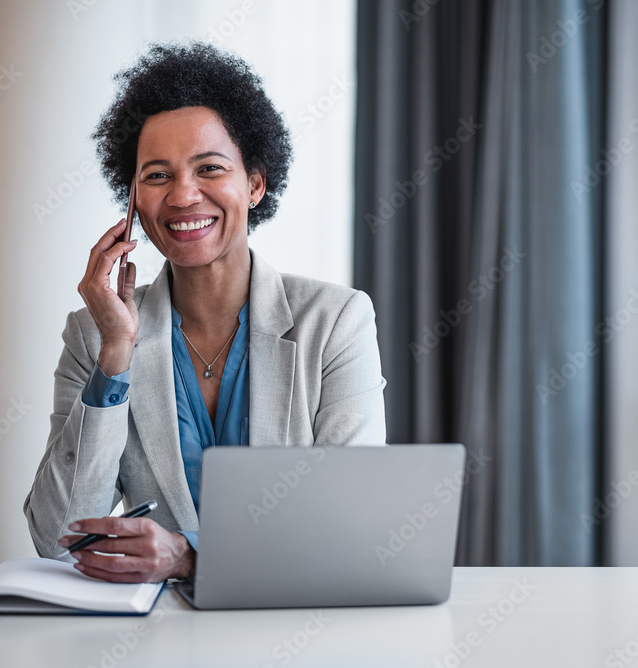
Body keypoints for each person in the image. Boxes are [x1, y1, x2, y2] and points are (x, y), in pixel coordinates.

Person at [23, 43, 386, 583]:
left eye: (209, 168)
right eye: (157, 176)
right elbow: (56, 538)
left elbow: (351, 526)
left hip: (295, 619)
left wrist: (189, 557)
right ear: (132, 200)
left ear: (255, 184)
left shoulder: (336, 322)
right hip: (154, 628)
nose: (183, 196)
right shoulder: (93, 334)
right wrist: (116, 355)